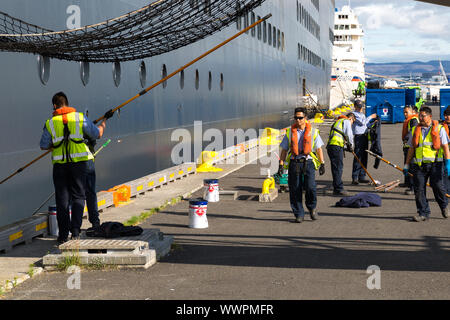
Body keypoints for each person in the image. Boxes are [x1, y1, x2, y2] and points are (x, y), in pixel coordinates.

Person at [40, 92, 112, 243]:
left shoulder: (50, 123)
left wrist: (56, 144)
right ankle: (76, 231)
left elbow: (43, 145)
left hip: (60, 166)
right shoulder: (79, 118)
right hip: (79, 165)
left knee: (62, 200)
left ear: (54, 105)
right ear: (67, 102)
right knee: (79, 196)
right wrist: (104, 121)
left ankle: (62, 236)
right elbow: (97, 134)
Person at [278, 107, 325, 223]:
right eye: (296, 118)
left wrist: (322, 163)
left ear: (305, 118)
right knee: (295, 189)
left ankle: (312, 208)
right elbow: (284, 150)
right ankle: (298, 214)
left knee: (310, 187)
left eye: (300, 118)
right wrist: (281, 165)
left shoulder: (313, 132)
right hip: (294, 163)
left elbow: (318, 149)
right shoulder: (289, 132)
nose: (298, 120)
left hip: (308, 162)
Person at [404, 106, 450, 222]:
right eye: (420, 115)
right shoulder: (415, 130)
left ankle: (444, 206)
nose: (420, 118)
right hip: (419, 165)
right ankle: (423, 213)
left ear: (430, 116)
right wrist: (406, 164)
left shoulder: (439, 129)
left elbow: (445, 147)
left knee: (438, 187)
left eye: (423, 116)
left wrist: (448, 163)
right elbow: (411, 149)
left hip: (436, 164)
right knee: (419, 189)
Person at [326, 113, 355, 196]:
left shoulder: (338, 122)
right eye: (353, 121)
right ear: (351, 118)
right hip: (336, 146)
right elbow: (349, 134)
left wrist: (346, 146)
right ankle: (338, 189)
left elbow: (339, 135)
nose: (352, 124)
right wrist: (351, 146)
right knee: (338, 168)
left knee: (335, 168)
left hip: (331, 147)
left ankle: (336, 187)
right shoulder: (346, 121)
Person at [351, 100, 377, 185]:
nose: (360, 108)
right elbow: (362, 123)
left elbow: (366, 125)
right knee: (358, 156)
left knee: (364, 156)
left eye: (360, 107)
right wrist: (371, 117)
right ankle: (355, 177)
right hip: (359, 136)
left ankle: (362, 176)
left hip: (364, 135)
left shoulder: (362, 114)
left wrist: (373, 122)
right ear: (355, 106)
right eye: (358, 107)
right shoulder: (354, 114)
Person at [401, 105, 419, 195]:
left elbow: (412, 132)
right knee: (406, 165)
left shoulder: (413, 120)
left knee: (411, 166)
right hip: (407, 146)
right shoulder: (409, 120)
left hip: (411, 147)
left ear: (412, 112)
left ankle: (412, 187)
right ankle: (407, 182)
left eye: (406, 112)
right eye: (404, 112)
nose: (405, 114)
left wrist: (406, 139)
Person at [441, 106, 450, 195]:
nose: (447, 117)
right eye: (446, 115)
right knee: (445, 175)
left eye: (449, 115)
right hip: (445, 155)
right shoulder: (441, 127)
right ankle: (447, 193)